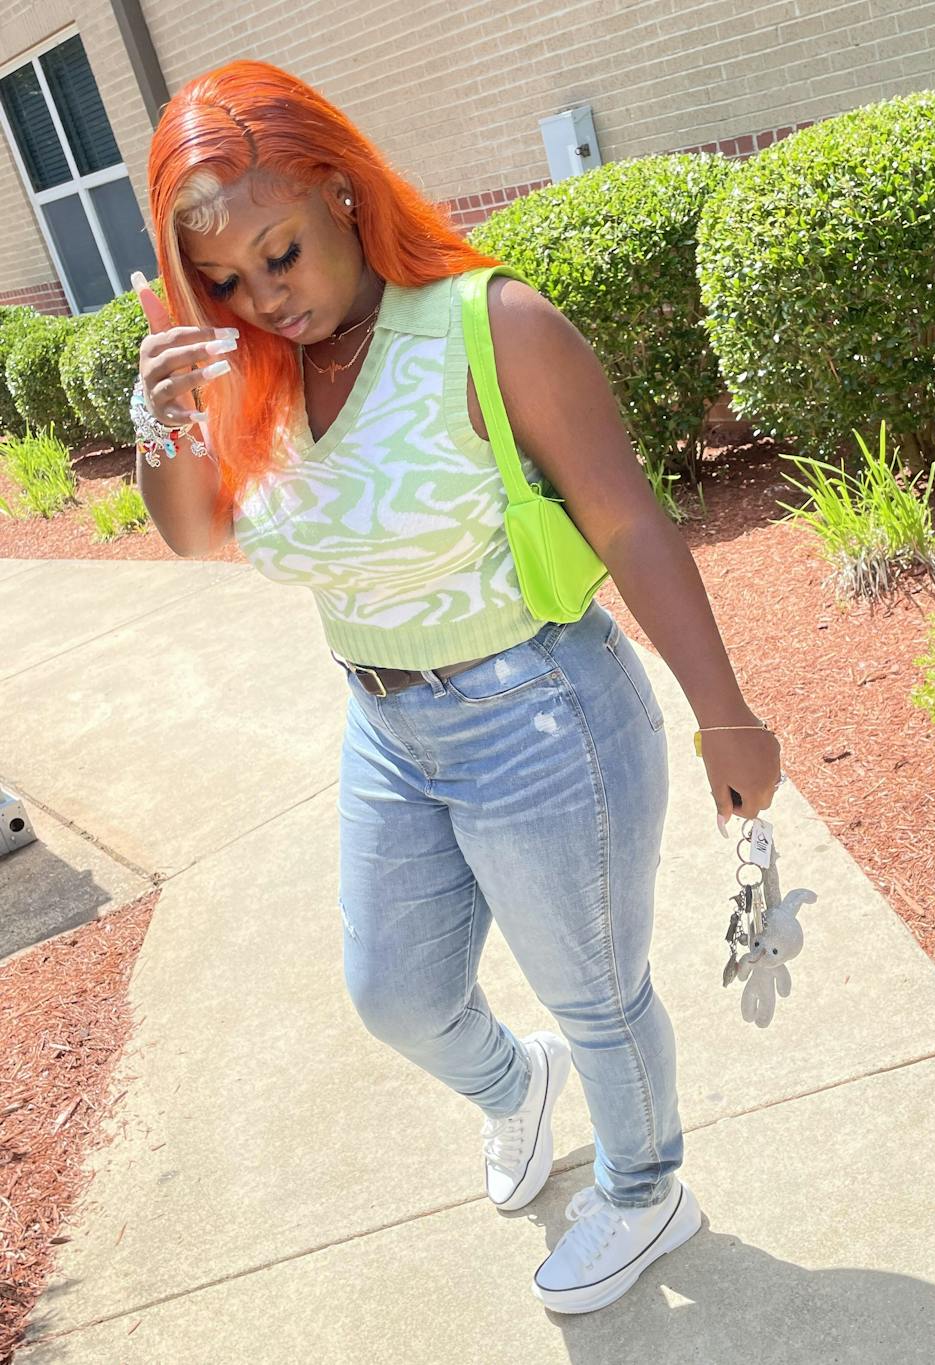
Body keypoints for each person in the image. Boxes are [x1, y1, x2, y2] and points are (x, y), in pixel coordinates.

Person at [132, 59, 782, 1316]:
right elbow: (197, 533)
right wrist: (168, 419)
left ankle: (646, 1189)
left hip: (540, 713)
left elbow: (628, 522)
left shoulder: (492, 325)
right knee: (395, 994)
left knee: (595, 995)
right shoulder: (252, 369)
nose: (265, 297)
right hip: (383, 722)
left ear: (338, 189)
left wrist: (725, 715)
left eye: (280, 254)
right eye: (224, 281)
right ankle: (513, 1088)